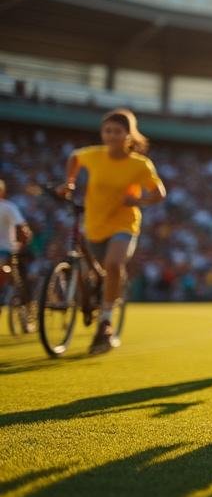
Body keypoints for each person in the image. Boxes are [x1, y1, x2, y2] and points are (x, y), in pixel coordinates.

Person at [60, 109, 167, 354]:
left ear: (128, 135)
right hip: (94, 224)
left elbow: (159, 193)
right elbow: (74, 157)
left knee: (113, 264)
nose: (111, 136)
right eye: (107, 131)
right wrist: (70, 182)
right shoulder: (94, 155)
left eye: (117, 131)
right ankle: (97, 296)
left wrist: (138, 201)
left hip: (124, 224)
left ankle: (106, 321)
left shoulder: (140, 164)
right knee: (93, 270)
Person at [0, 179, 33, 328]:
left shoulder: (8, 207)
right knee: (19, 281)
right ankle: (27, 311)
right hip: (8, 252)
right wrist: (23, 244)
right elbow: (23, 231)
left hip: (6, 252)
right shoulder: (8, 207)